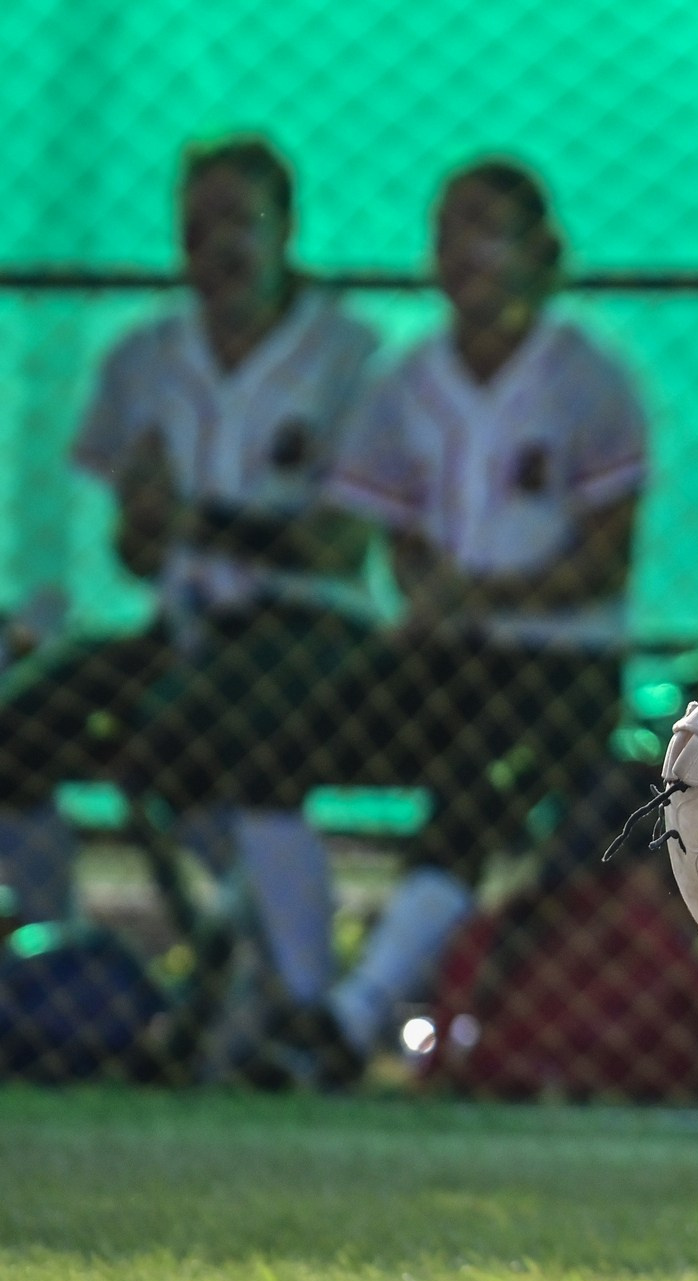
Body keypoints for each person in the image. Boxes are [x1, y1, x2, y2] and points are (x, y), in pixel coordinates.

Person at [258, 159, 646, 1072]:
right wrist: (435, 591)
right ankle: (302, 999)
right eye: (446, 230)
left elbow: (605, 556)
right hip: (446, 654)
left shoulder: (589, 377)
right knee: (266, 760)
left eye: (485, 229)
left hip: (560, 664)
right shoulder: (407, 381)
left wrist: (489, 597)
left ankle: (347, 1026)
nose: (459, 253)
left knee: (476, 793)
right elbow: (390, 529)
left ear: (540, 254)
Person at [3, 137, 377, 1037]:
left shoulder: (348, 354)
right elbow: (139, 549)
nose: (217, 248)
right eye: (196, 227)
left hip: (307, 626)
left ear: (285, 229)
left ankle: (293, 985)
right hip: (185, 622)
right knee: (20, 730)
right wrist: (147, 522)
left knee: (195, 729)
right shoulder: (147, 357)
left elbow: (337, 547)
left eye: (239, 224)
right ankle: (55, 950)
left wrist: (194, 519)